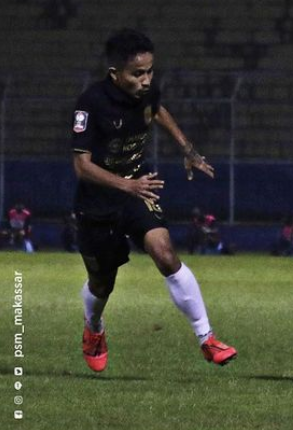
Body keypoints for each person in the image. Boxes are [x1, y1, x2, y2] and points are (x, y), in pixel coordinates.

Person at [71, 28, 236, 372]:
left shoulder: (147, 92)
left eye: (150, 71)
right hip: (98, 202)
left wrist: (187, 149)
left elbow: (158, 110)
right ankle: (94, 328)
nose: (146, 80)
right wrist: (124, 185)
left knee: (164, 253)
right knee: (103, 283)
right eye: (137, 73)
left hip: (138, 190)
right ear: (115, 74)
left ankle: (207, 338)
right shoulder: (91, 103)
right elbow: (81, 167)